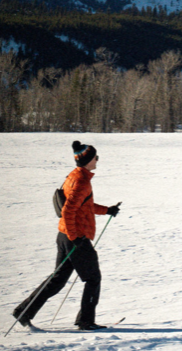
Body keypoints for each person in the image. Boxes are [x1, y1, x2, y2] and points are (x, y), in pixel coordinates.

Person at [12, 141, 121, 331]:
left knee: (57, 280)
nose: (97, 159)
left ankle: (24, 312)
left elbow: (83, 206)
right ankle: (86, 321)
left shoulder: (74, 176)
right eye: (95, 156)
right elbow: (68, 211)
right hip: (74, 237)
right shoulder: (81, 182)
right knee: (93, 278)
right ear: (88, 160)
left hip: (64, 236)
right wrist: (75, 238)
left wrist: (107, 210)